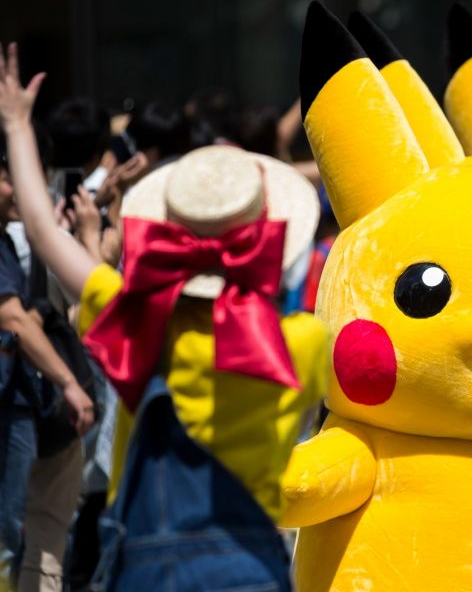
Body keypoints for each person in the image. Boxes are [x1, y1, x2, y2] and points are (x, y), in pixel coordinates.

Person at [1, 41, 329, 591]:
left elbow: (40, 227)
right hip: (251, 565)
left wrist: (16, 125)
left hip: (149, 571)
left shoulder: (135, 315)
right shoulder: (303, 341)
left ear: (168, 231)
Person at [0, 49, 94, 592]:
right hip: (37, 406)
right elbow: (86, 307)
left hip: (27, 402)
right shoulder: (291, 344)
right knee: (39, 537)